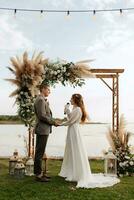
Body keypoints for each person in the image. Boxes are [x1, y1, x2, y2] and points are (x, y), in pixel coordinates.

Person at [59, 93, 120, 188]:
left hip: (74, 131)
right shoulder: (75, 109)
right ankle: (70, 171)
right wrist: (67, 110)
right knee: (71, 150)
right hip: (72, 130)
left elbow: (71, 120)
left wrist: (61, 122)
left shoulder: (78, 109)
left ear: (75, 100)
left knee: (76, 150)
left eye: (71, 99)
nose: (70, 100)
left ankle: (77, 173)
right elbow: (70, 118)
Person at [34, 83, 58, 182]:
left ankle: (40, 173)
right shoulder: (40, 100)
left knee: (40, 151)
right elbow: (42, 116)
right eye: (48, 89)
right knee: (39, 152)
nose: (49, 91)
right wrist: (53, 122)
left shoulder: (42, 100)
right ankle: (38, 175)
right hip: (42, 129)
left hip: (44, 129)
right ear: (43, 89)